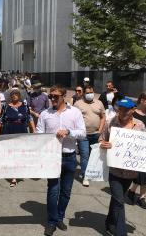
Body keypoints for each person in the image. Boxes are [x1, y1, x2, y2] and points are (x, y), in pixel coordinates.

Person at [36, 85, 86, 236]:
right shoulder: (44, 114)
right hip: (52, 157)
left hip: (69, 157)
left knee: (66, 192)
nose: (52, 99)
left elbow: (82, 133)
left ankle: (60, 217)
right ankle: (51, 222)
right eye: (51, 97)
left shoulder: (75, 112)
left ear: (64, 96)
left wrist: (69, 132)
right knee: (53, 190)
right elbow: (39, 133)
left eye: (56, 96)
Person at [99, 98, 146, 236]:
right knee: (120, 201)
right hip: (114, 170)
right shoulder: (111, 122)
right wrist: (104, 144)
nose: (123, 112)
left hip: (131, 172)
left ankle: (109, 223)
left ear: (133, 110)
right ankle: (121, 232)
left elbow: (145, 146)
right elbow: (101, 139)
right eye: (121, 109)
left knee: (116, 199)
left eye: (127, 109)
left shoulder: (140, 125)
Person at [0, 88, 36, 187]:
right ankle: (13, 176)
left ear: (19, 96)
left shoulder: (25, 105)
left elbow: (30, 118)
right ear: (10, 96)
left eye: (16, 94)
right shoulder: (5, 106)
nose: (14, 95)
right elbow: (0, 119)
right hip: (9, 130)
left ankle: (19, 170)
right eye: (12, 94)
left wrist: (34, 130)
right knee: (10, 153)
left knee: (20, 152)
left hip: (21, 130)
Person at [74, 85, 106, 187]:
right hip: (83, 135)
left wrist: (100, 130)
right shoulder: (78, 104)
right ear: (83, 93)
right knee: (84, 156)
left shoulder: (99, 103)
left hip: (96, 134)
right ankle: (85, 176)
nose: (89, 94)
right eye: (87, 93)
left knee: (93, 156)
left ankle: (92, 172)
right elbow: (73, 118)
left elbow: (103, 117)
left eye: (91, 92)